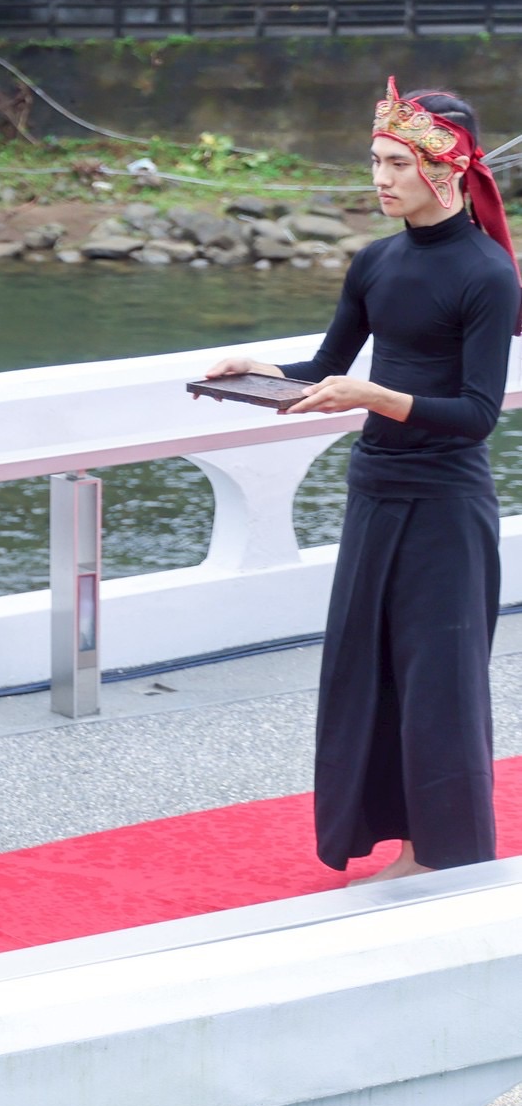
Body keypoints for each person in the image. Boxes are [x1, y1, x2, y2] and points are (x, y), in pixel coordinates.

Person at [208, 82, 521, 880]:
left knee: (437, 682)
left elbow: (476, 413)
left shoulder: (485, 274)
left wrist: (374, 397)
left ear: (442, 171)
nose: (377, 179)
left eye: (394, 164)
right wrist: (256, 369)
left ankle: (439, 853)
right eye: (373, 162)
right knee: (367, 667)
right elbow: (324, 368)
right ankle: (389, 834)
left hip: (445, 502)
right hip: (375, 488)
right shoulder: (374, 262)